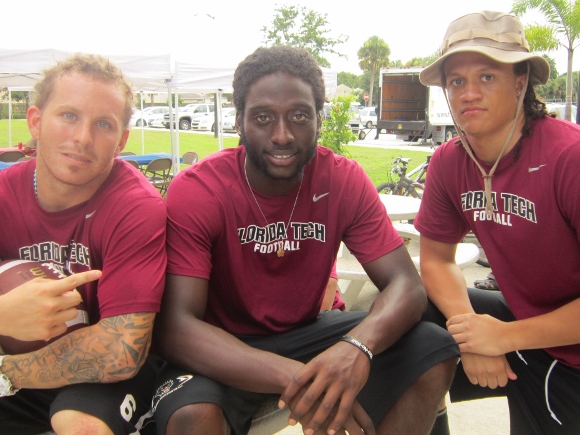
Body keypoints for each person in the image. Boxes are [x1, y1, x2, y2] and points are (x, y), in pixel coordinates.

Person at [152, 45, 459, 435]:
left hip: (306, 334)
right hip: (223, 346)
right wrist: (300, 379)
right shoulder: (200, 189)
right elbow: (176, 327)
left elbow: (407, 286)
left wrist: (355, 349)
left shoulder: (341, 179)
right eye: (263, 118)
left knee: (432, 347)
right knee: (191, 417)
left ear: (318, 118)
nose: (282, 135)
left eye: (299, 116)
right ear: (239, 122)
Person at [414, 10, 580, 434]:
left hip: (568, 349)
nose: (469, 93)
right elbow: (435, 260)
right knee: (409, 313)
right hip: (525, 328)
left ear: (520, 82)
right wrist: (472, 334)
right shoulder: (450, 161)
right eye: (456, 81)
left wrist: (502, 338)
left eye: (487, 76)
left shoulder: (567, 157)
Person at [0, 53, 167, 434]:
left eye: (103, 124)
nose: (82, 138)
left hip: (109, 378)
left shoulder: (135, 205)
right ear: (36, 121)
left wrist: (3, 372)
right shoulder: (4, 196)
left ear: (122, 141)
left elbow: (120, 351)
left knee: (80, 425)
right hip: (23, 360)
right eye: (69, 116)